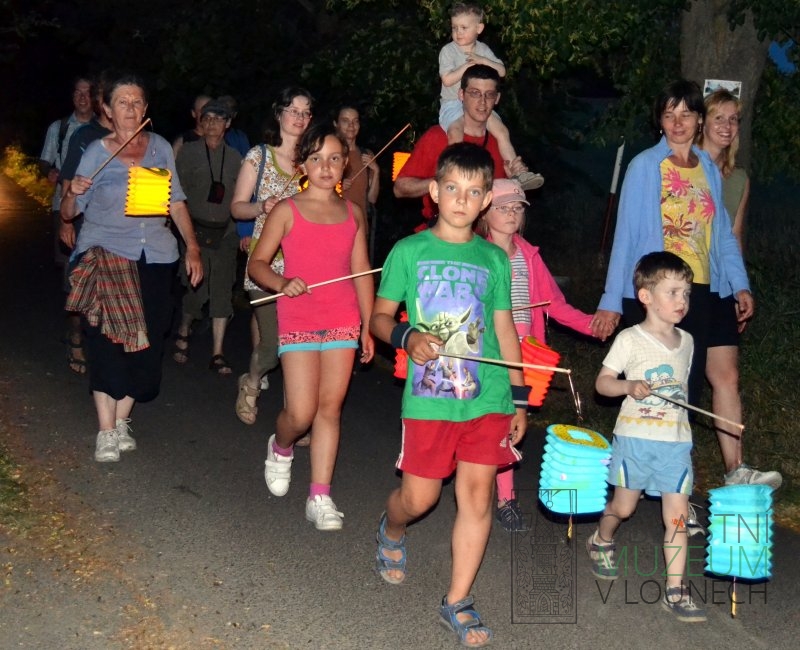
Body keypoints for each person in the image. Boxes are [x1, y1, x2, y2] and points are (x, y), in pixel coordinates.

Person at [371, 143, 528, 647]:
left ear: (486, 200)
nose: (463, 199)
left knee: (477, 496)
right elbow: (378, 318)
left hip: (487, 398)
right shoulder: (408, 251)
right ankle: (392, 528)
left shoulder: (494, 259)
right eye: (453, 188)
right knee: (419, 499)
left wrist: (519, 398)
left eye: (474, 191)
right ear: (435, 192)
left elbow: (505, 330)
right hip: (430, 397)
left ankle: (457, 600)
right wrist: (406, 337)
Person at [61, 73, 203, 463]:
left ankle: (122, 419)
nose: (130, 108)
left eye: (137, 101)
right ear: (107, 109)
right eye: (122, 102)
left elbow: (175, 201)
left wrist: (192, 248)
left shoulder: (160, 148)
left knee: (148, 343)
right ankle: (106, 430)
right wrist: (71, 193)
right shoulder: (96, 151)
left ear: (146, 108)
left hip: (155, 256)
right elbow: (70, 211)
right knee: (107, 343)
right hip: (107, 253)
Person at [591, 79, 753, 415]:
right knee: (655, 387)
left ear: (698, 120)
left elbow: (722, 235)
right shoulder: (646, 166)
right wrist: (611, 300)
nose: (678, 123)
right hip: (657, 290)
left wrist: (740, 285)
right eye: (669, 115)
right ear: (660, 122)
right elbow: (625, 236)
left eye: (686, 114)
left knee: (688, 387)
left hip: (700, 291)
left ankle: (679, 445)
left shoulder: (708, 168)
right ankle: (641, 443)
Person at [248, 123, 374, 531]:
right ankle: (281, 445)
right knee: (300, 413)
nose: (325, 166)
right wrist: (282, 282)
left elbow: (361, 273)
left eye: (334, 158)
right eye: (316, 158)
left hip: (342, 319)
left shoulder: (353, 214)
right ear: (302, 164)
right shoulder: (287, 210)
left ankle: (320, 495)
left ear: (345, 164)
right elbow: (257, 264)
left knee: (329, 408)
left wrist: (367, 326)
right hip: (299, 317)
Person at [587, 251, 706, 622]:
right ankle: (602, 538)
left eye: (686, 293)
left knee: (677, 518)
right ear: (646, 296)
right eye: (672, 292)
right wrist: (628, 386)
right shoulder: (630, 339)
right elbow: (602, 384)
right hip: (635, 439)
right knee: (624, 508)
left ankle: (675, 590)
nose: (682, 300)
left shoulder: (688, 341)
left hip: (676, 443)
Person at [477, 178, 596, 531]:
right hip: (488, 352)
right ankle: (484, 489)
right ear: (484, 212)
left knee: (510, 422)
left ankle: (505, 499)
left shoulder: (529, 256)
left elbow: (554, 304)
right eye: (503, 207)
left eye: (517, 208)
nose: (511, 214)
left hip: (524, 354)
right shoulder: (476, 252)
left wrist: (591, 325)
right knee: (490, 422)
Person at [696, 90, 781, 488]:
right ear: (703, 122)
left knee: (726, 375)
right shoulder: (683, 167)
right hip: (684, 286)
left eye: (733, 120)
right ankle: (662, 470)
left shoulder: (739, 178)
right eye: (719, 118)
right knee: (675, 378)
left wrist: (738, 289)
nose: (727, 127)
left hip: (720, 287)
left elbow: (735, 236)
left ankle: (736, 469)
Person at [230, 87, 314, 425]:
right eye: (293, 110)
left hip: (302, 265)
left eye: (305, 112)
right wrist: (261, 207)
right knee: (272, 344)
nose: (299, 118)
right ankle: (251, 382)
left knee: (299, 345)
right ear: (279, 114)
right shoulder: (258, 156)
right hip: (264, 266)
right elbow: (237, 208)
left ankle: (296, 415)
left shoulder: (313, 161)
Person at [394, 64, 532, 230]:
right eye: (475, 93)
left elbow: (504, 203)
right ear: (461, 95)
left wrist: (512, 181)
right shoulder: (437, 136)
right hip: (442, 234)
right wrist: (443, 180)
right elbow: (400, 188)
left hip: (485, 238)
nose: (482, 102)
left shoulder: (500, 143)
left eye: (489, 95)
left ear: (497, 98)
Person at [438, 3, 543, 191]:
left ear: (479, 28)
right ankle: (456, 171)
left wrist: (483, 61)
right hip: (453, 103)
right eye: (454, 28)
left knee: (502, 131)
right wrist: (467, 67)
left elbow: (501, 71)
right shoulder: (448, 51)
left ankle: (518, 172)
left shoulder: (483, 50)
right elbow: (447, 80)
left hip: (480, 104)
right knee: (455, 130)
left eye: (464, 27)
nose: (458, 32)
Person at [173, 98, 243, 374]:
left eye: (219, 118)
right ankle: (184, 328)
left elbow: (241, 197)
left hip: (225, 233)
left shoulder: (236, 158)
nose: (212, 123)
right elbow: (176, 194)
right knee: (195, 289)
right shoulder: (188, 152)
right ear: (200, 121)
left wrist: (240, 232)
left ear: (228, 124)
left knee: (223, 290)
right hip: (195, 231)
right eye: (208, 118)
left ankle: (217, 352)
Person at [58, 76, 114, 375]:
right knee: (77, 284)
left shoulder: (133, 136)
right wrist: (66, 221)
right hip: (82, 220)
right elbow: (68, 179)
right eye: (102, 96)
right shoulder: (84, 135)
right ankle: (76, 337)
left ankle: (105, 348)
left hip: (115, 227)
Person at [39, 76, 94, 268]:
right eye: (78, 93)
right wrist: (49, 171)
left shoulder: (104, 129)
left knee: (93, 261)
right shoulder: (59, 128)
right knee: (67, 260)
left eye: (87, 93)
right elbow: (44, 160)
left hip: (95, 206)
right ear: (72, 97)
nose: (83, 98)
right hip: (63, 203)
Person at [333, 103, 379, 216]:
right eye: (345, 121)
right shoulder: (328, 153)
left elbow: (372, 199)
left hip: (361, 223)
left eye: (355, 121)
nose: (351, 125)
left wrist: (376, 171)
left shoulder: (367, 154)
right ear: (336, 124)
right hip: (336, 221)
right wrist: (338, 188)